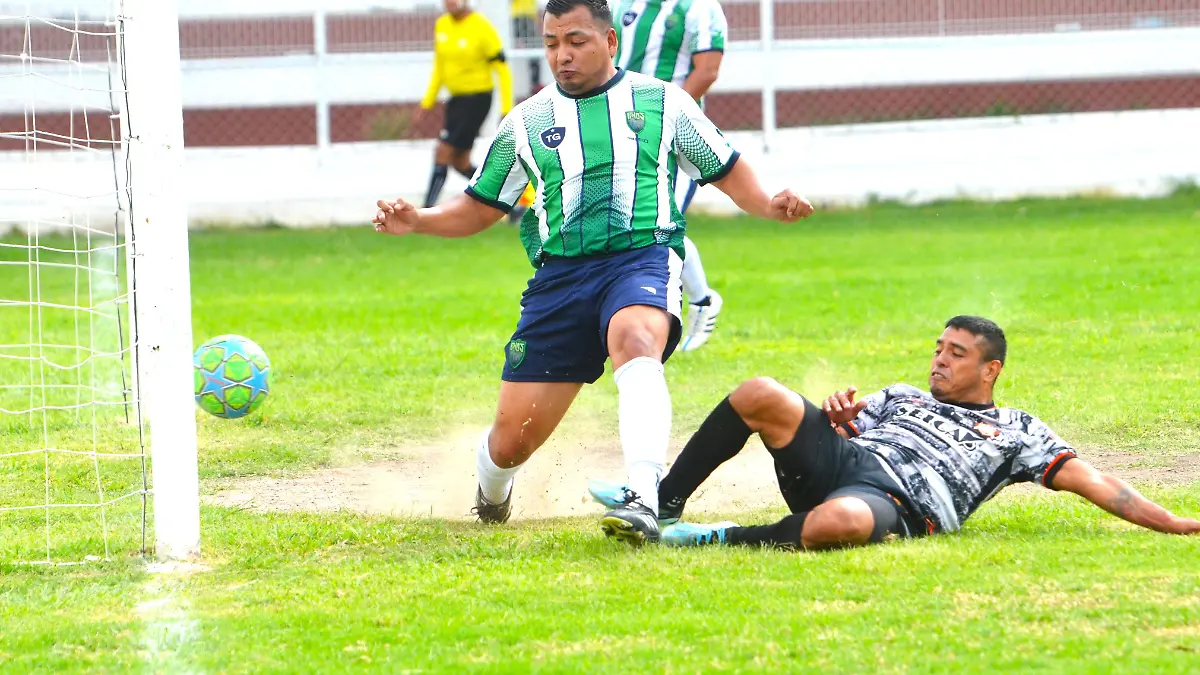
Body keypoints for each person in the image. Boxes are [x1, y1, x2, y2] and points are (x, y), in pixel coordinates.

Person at [374, 0, 814, 546]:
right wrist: (419, 219)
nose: (563, 55)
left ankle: (643, 496)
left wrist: (772, 203)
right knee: (511, 442)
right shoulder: (526, 122)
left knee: (635, 339)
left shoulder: (661, 103)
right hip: (561, 279)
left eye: (577, 41)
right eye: (553, 43)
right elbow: (480, 207)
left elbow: (727, 168)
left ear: (609, 42)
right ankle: (491, 494)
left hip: (642, 257)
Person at [592, 316, 1200, 548]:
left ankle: (714, 537)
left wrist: (1172, 521)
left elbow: (1098, 483)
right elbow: (844, 423)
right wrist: (836, 416)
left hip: (892, 504)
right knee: (760, 392)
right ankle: (661, 502)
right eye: (938, 348)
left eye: (956, 353)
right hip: (840, 464)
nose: (938, 359)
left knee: (842, 525)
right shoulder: (902, 396)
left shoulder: (1018, 432)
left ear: (990, 370)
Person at [613, 0, 730, 352]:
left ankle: (700, 301)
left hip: (677, 135)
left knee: (660, 223)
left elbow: (707, 70)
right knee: (629, 222)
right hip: (624, 129)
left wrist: (663, 116)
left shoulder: (700, 8)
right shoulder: (624, 3)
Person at [417, 0, 514, 208]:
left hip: (477, 99)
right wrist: (427, 102)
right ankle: (506, 200)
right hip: (455, 101)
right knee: (460, 163)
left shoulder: (481, 26)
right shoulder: (442, 25)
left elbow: (502, 70)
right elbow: (439, 67)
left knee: (443, 151)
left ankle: (425, 212)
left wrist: (506, 108)